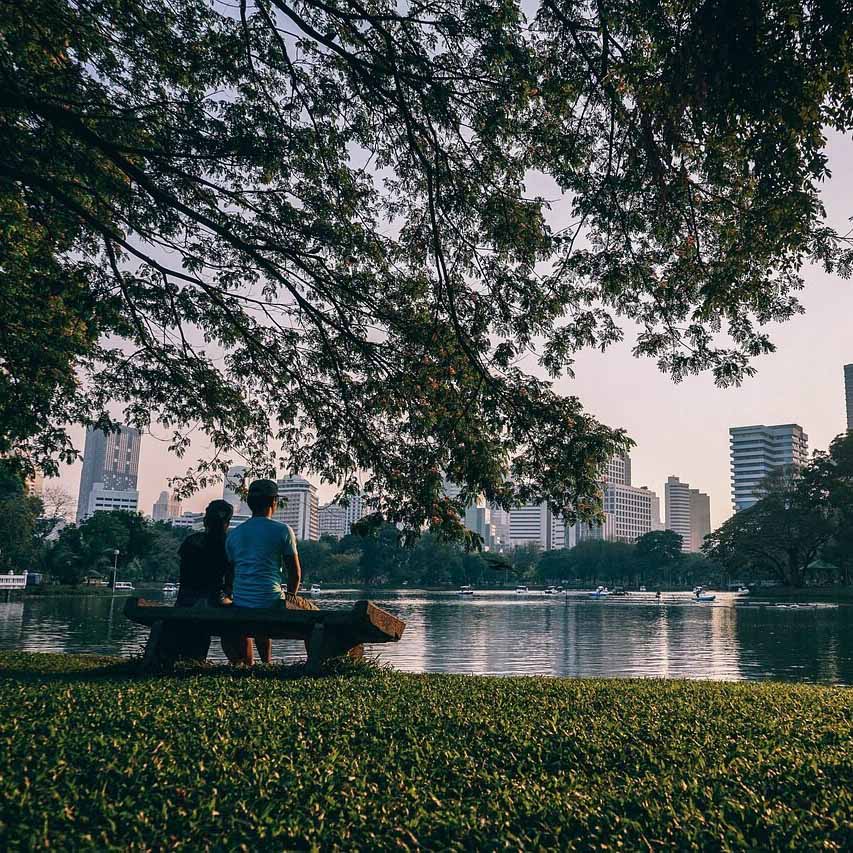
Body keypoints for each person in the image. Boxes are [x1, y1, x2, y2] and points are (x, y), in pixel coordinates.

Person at [225, 478, 316, 664]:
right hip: (271, 603)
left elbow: (231, 574)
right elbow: (295, 574)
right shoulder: (282, 530)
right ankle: (312, 662)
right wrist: (291, 598)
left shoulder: (234, 534)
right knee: (315, 615)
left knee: (259, 611)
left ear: (249, 503)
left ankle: (264, 663)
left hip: (242, 603)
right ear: (274, 502)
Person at [171, 499, 235, 660]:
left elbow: (184, 574)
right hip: (213, 600)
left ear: (206, 521)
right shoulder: (229, 545)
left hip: (185, 600)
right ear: (227, 523)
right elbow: (230, 582)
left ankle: (190, 657)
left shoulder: (191, 541)